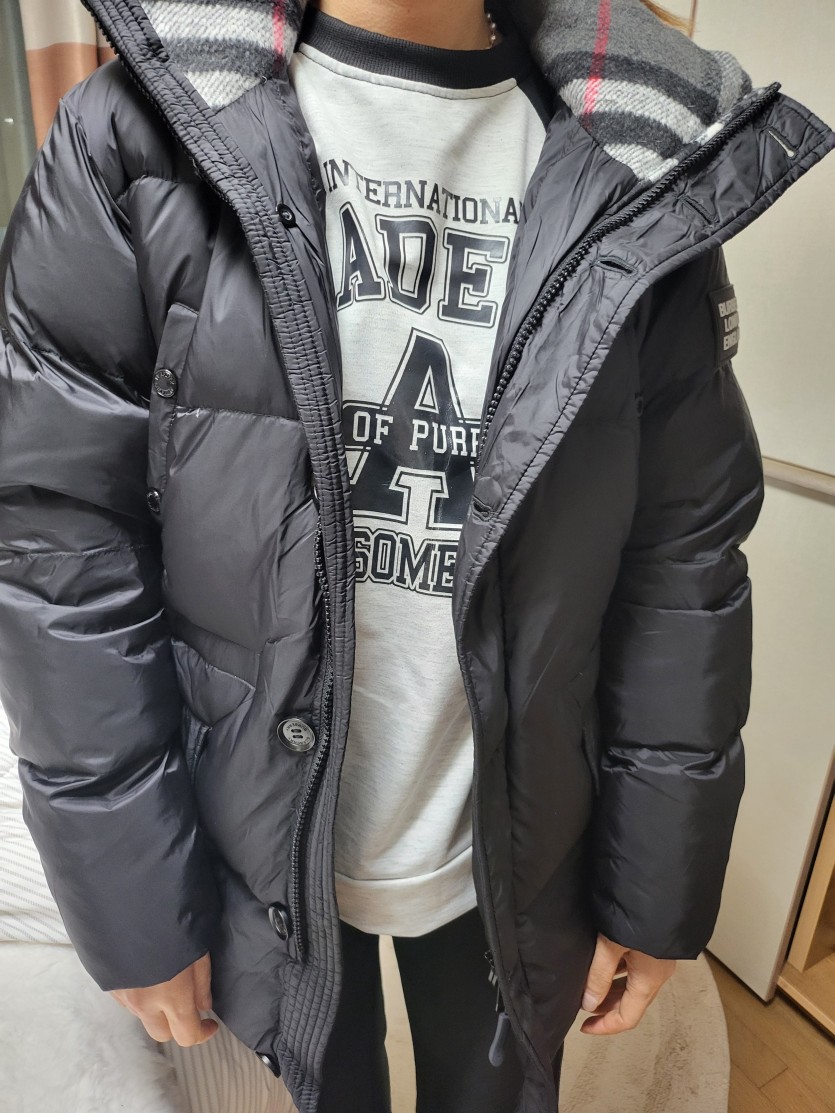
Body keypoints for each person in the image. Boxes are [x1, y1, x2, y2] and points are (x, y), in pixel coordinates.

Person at [0, 1, 832, 1111]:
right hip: (255, 829)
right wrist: (133, 902)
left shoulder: (643, 160)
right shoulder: (140, 129)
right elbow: (61, 539)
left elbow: (680, 560)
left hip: (512, 843)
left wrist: (656, 886)